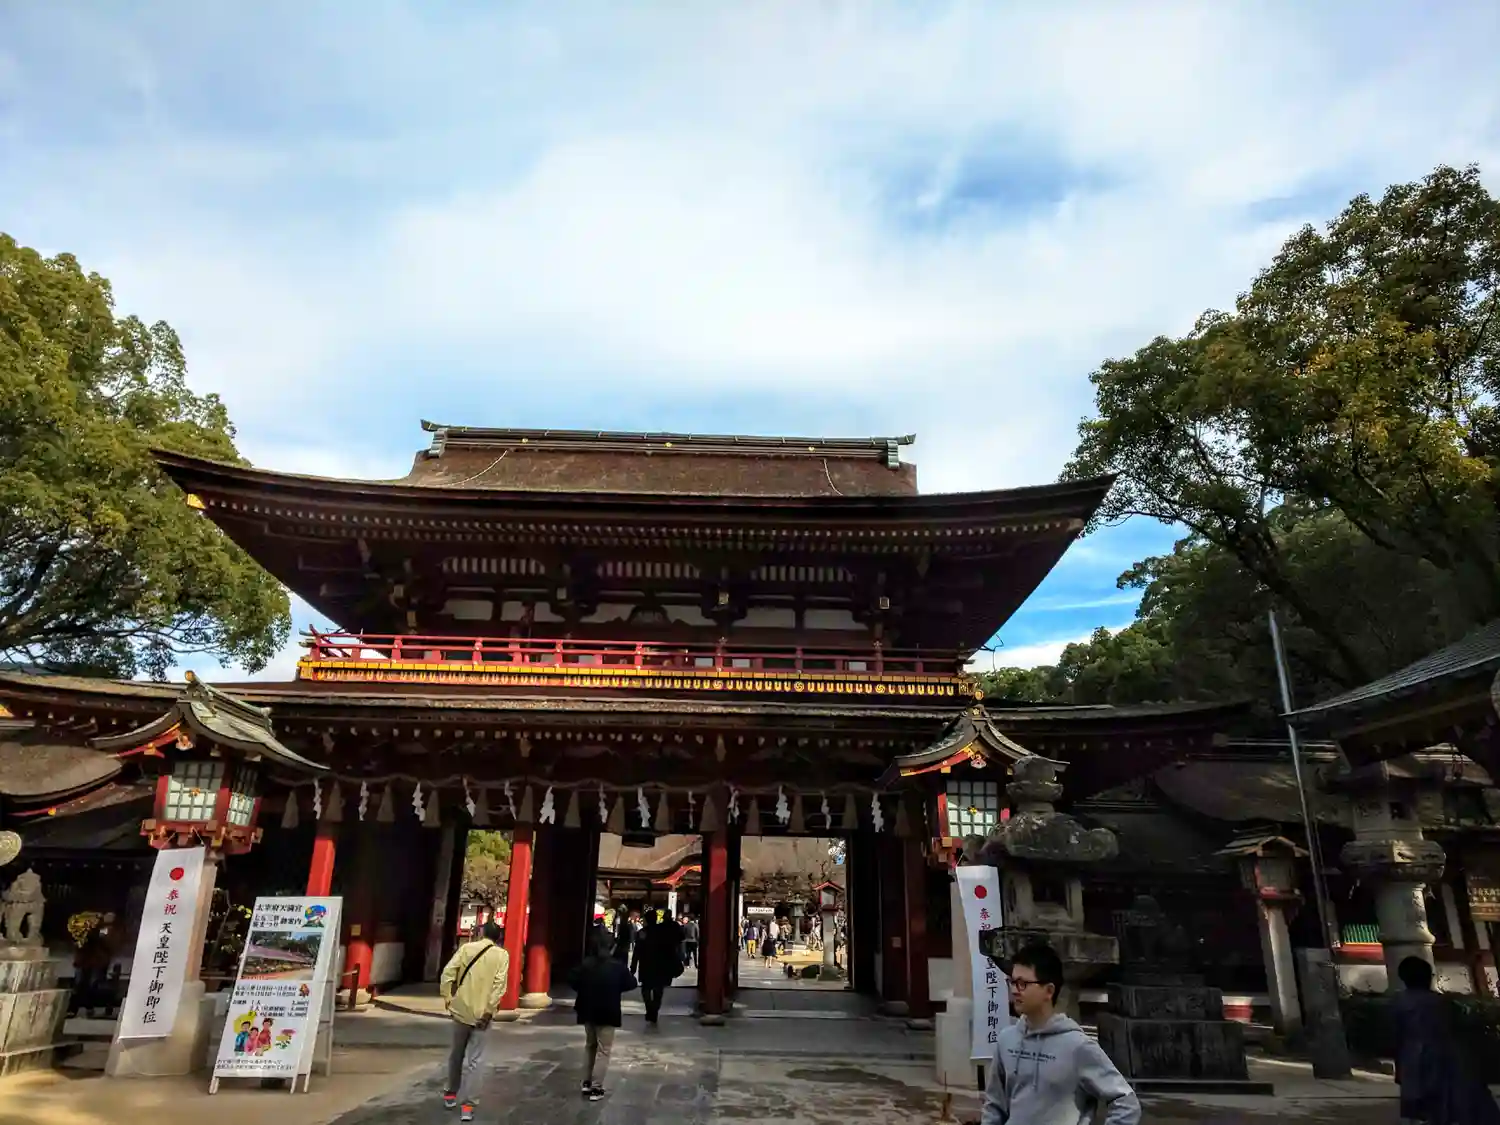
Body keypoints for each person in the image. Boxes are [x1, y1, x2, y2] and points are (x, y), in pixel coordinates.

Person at [980, 942, 1139, 1125]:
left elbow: (1126, 1103)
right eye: (1012, 982)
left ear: (1049, 991)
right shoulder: (1006, 1040)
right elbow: (994, 1106)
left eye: (1023, 984)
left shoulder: (1077, 1046)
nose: (1015, 990)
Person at [1391, 955, 1500, 1125]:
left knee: (1426, 1107)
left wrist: (1400, 1067)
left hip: (1414, 1058)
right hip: (1446, 1057)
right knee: (1449, 1104)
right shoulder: (1442, 1002)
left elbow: (1396, 1037)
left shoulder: (1398, 1003)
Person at [438, 920, 509, 1122]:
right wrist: (489, 1011)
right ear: (498, 938)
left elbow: (447, 974)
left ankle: (450, 1094)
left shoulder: (466, 949)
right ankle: (468, 1106)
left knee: (456, 1055)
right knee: (476, 1061)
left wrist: (447, 997)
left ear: (482, 933)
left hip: (461, 1010)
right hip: (482, 1015)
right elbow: (499, 986)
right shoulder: (502, 955)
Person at [568, 928, 638, 1102]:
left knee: (590, 1045)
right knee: (604, 1049)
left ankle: (586, 1082)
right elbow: (631, 983)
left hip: (587, 1008)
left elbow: (572, 980)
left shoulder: (586, 964)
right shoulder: (617, 967)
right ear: (611, 947)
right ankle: (596, 1087)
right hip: (608, 1009)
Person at [636, 912, 684, 1024]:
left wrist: (633, 966)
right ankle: (654, 1010)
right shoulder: (663, 932)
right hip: (661, 964)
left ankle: (649, 1008)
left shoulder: (642, 932)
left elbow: (637, 950)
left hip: (646, 964)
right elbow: (671, 947)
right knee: (658, 989)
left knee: (646, 989)